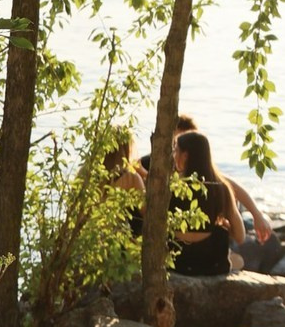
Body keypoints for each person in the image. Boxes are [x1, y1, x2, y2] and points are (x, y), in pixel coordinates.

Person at [142, 115, 273, 243]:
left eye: (177, 146)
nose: (174, 151)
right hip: (210, 258)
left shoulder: (177, 185)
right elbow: (240, 236)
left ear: (186, 154)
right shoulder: (153, 163)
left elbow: (232, 185)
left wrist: (257, 215)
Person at [170, 130, 245, 276]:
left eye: (176, 150)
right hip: (211, 265)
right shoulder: (221, 187)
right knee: (220, 230)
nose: (173, 155)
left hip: (176, 263)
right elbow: (240, 236)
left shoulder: (171, 187)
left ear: (185, 156)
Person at [102, 129, 146, 238]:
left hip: (81, 238)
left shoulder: (87, 172)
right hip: (110, 238)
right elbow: (146, 211)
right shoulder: (130, 177)